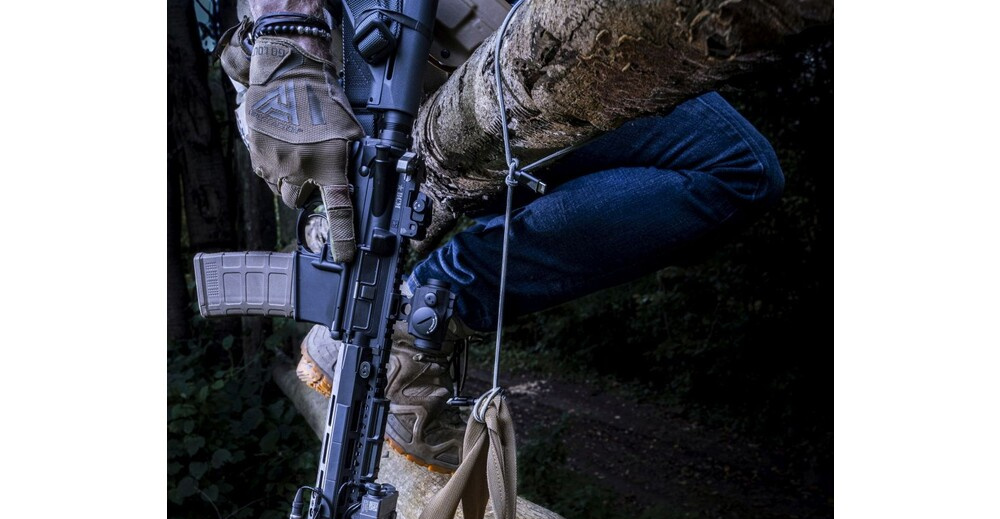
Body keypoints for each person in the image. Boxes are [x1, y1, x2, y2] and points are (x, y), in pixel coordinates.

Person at [226, 0, 785, 473]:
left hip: (459, 63)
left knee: (733, 167)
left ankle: (420, 310)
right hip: (464, 55)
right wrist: (290, 38)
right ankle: (425, 310)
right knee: (735, 166)